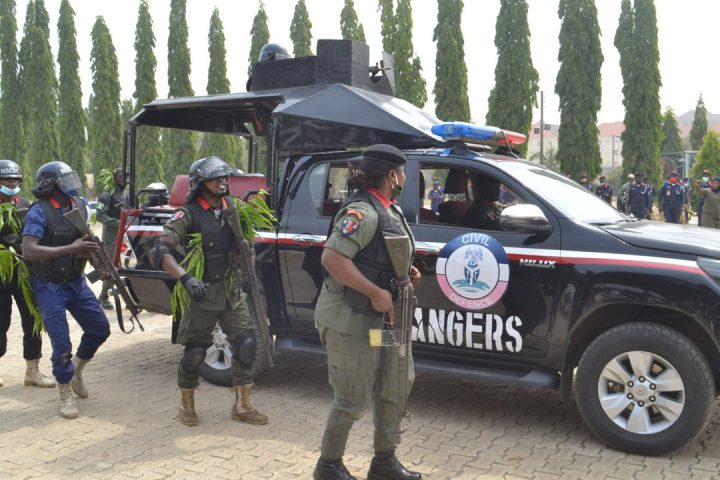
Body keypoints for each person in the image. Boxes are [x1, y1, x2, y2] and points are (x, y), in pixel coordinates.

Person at [313, 144, 422, 480]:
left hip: (382, 326)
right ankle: (328, 466)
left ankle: (384, 462)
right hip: (352, 323)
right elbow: (333, 259)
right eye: (402, 171)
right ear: (392, 175)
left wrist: (403, 272)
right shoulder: (363, 212)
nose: (405, 177)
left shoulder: (388, 209)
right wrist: (376, 291)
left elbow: (380, 253)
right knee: (354, 397)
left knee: (394, 384)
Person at [156, 156, 267, 427]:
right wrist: (186, 279)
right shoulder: (189, 213)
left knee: (247, 344)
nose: (223, 182)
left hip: (231, 290)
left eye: (224, 177)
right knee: (195, 353)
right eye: (216, 178)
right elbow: (162, 250)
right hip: (202, 293)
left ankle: (242, 405)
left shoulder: (234, 208)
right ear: (200, 184)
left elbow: (246, 245)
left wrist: (246, 272)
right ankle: (187, 404)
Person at [21, 161, 111, 419]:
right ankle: (65, 392)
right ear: (52, 185)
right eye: (66, 181)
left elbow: (87, 240)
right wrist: (72, 249)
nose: (72, 185)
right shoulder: (39, 211)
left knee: (99, 329)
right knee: (61, 343)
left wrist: (99, 263)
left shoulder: (80, 205)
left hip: (76, 282)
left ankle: (77, 370)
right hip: (49, 286)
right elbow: (29, 250)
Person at [0, 160, 55, 389]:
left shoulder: (24, 203)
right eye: (7, 180)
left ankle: (32, 370)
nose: (12, 183)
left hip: (23, 272)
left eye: (15, 180)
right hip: (1, 273)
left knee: (32, 319)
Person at [96, 167, 129, 310]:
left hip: (124, 235)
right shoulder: (107, 194)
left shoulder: (125, 194)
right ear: (115, 178)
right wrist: (119, 224)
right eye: (122, 176)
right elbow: (100, 215)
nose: (125, 179)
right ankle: (103, 296)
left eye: (126, 176)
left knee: (123, 266)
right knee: (110, 266)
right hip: (110, 237)